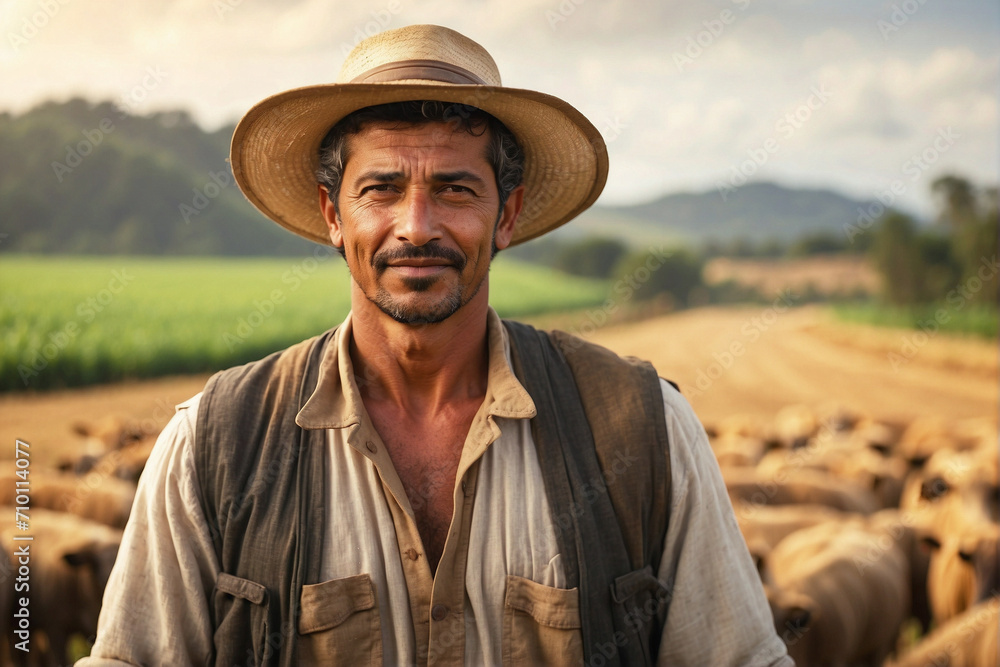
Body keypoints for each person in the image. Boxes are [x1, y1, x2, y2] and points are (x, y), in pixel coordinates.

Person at [81, 24, 791, 667]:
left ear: (505, 215)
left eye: (454, 188)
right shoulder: (216, 443)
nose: (416, 225)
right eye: (381, 188)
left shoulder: (643, 429)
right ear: (334, 214)